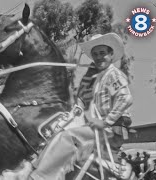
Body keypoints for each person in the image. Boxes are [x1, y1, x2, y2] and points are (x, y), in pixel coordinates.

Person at [30, 33, 133, 180]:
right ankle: (39, 167)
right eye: (95, 54)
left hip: (111, 129)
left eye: (102, 53)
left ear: (111, 54)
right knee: (56, 129)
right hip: (102, 128)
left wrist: (106, 121)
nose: (99, 57)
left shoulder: (114, 75)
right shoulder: (98, 78)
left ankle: (41, 177)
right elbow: (83, 101)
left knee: (66, 137)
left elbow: (126, 98)